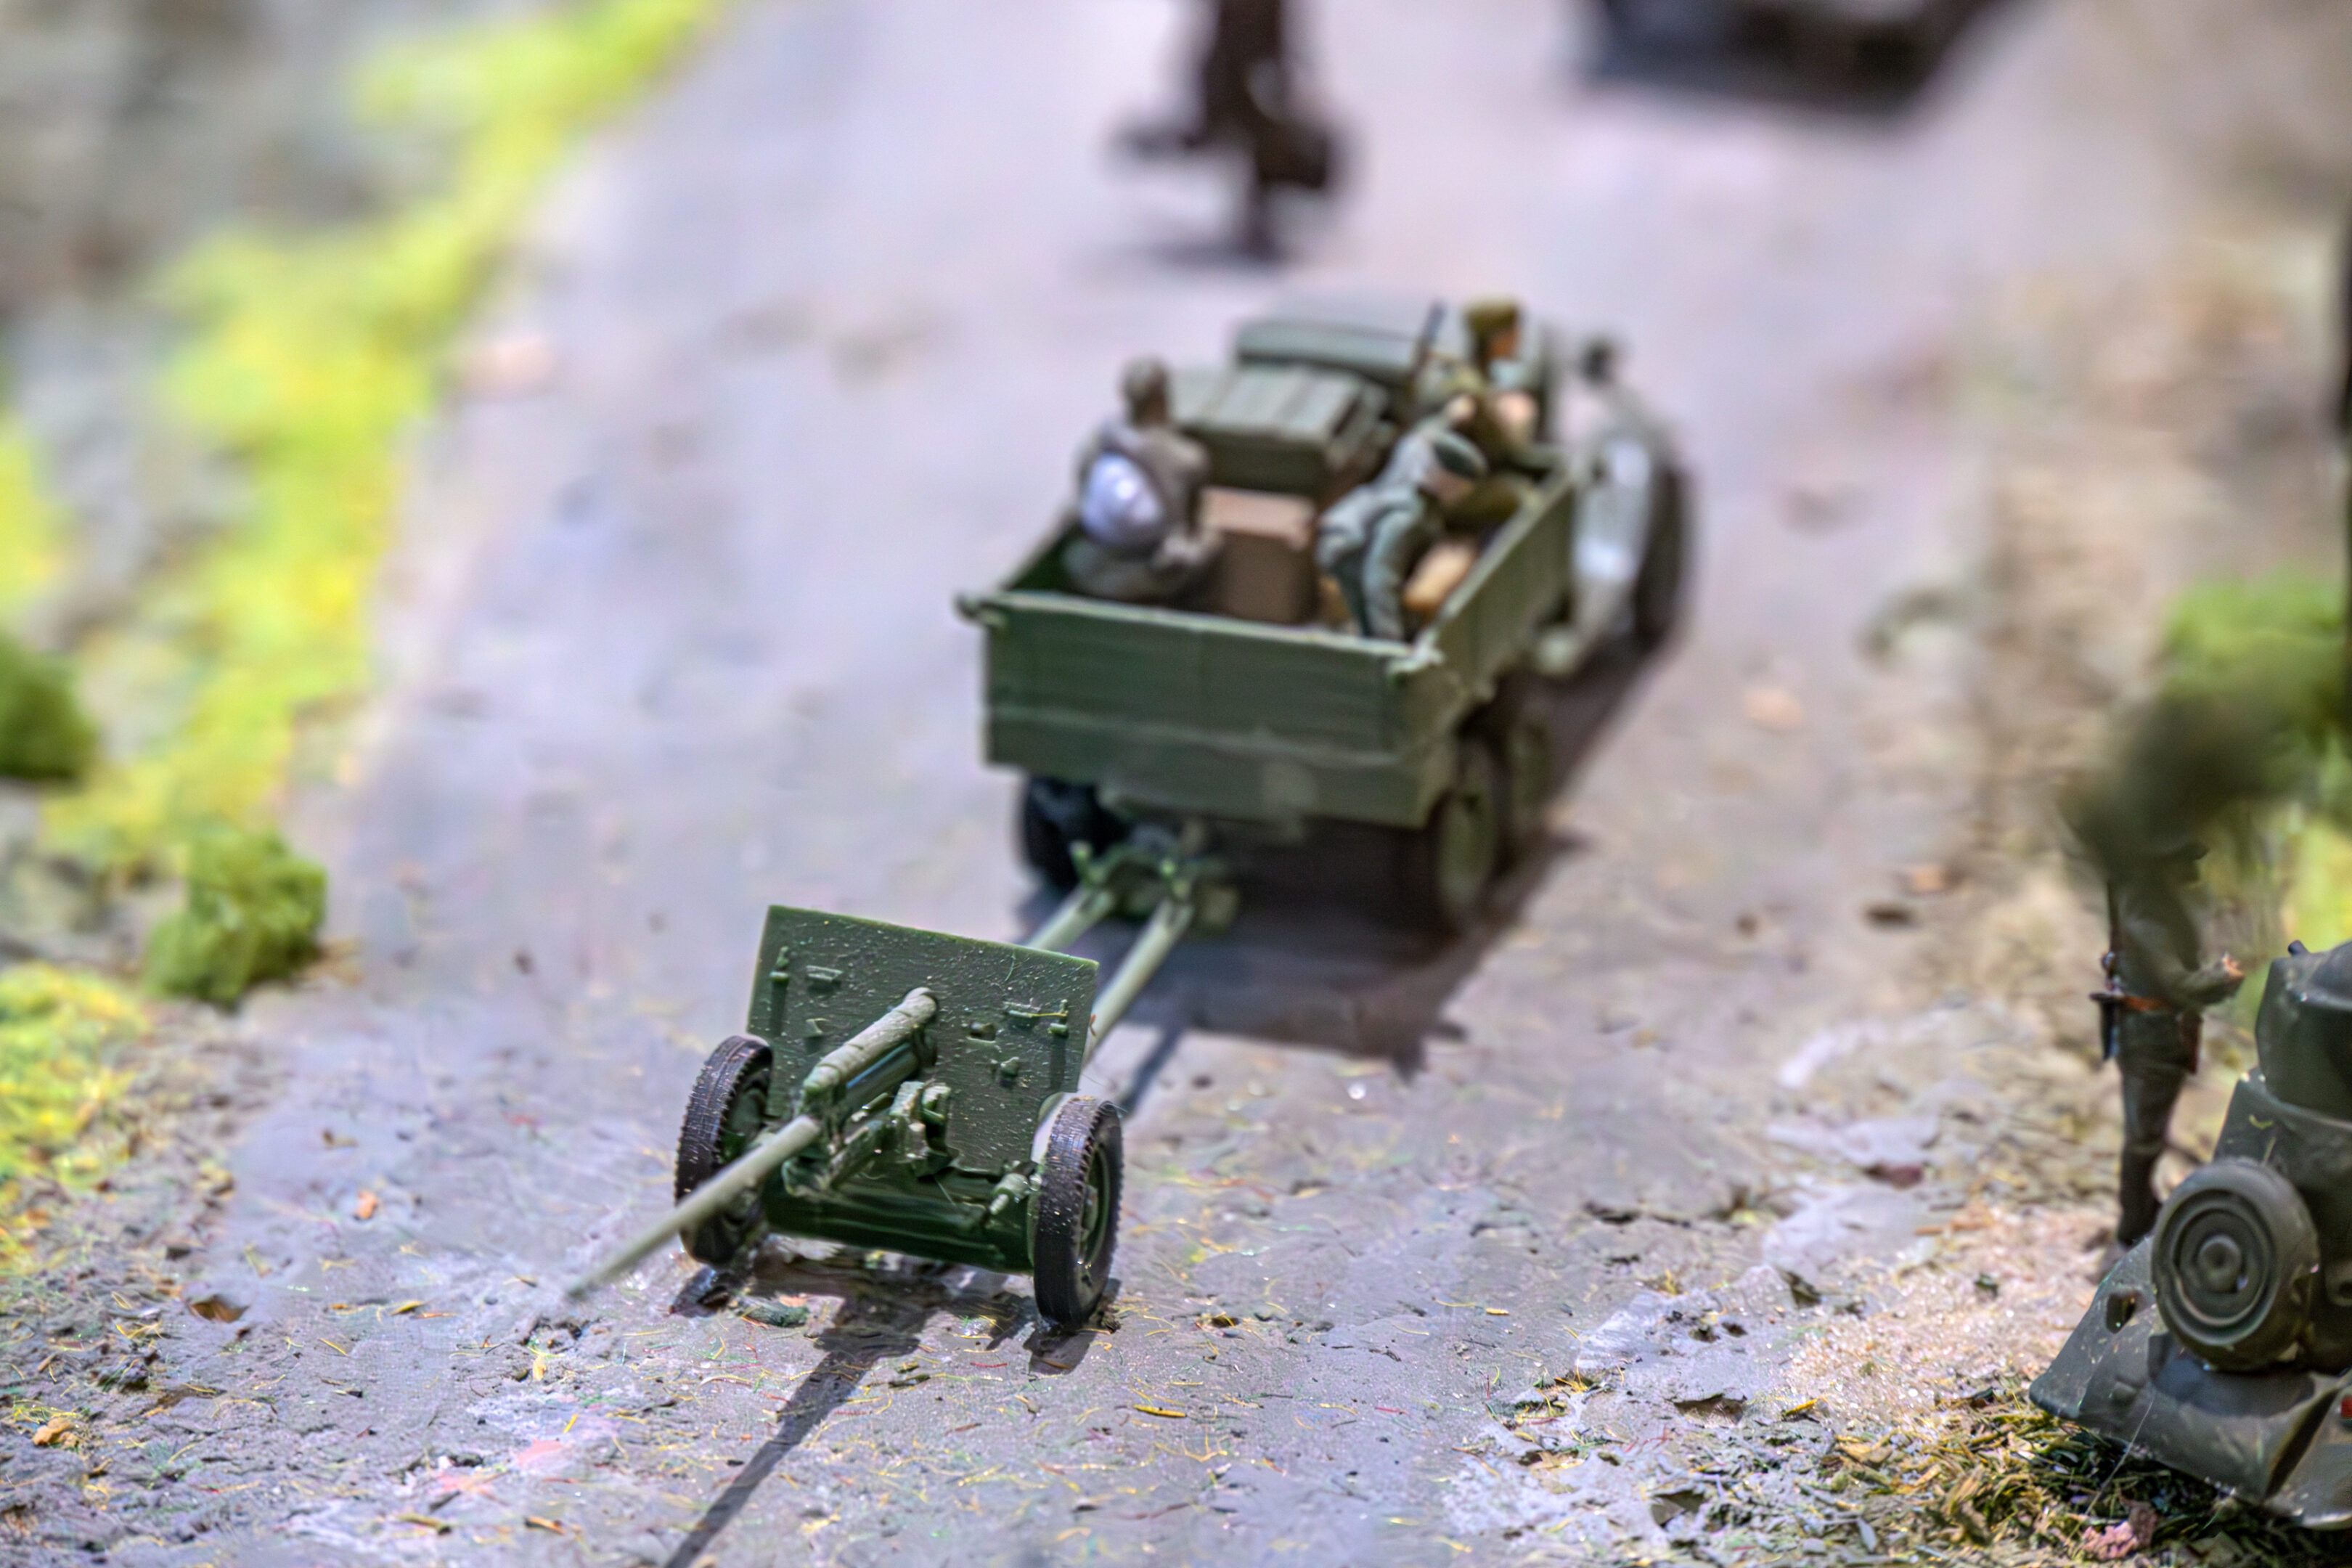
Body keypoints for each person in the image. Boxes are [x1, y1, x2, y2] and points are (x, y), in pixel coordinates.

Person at [2099, 841, 2246, 1251]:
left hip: (2155, 1029)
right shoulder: (2146, 917)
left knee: (2149, 1131)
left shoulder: (2153, 907)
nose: (2192, 874)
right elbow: (2178, 985)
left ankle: (2141, 1210)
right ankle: (2133, 1223)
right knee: (2144, 1137)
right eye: (2183, 864)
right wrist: (2222, 978)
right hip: (2149, 1034)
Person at [1061, 358, 1220, 606]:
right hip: (1148, 571)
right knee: (1211, 540)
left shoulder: (1100, 439)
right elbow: (1192, 530)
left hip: (1092, 562)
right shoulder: (1188, 458)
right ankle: (1190, 603)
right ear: (1162, 399)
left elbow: (1083, 488)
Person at [1315, 427, 1487, 640]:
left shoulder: (1417, 502)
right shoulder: (1408, 513)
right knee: (1363, 599)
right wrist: (1389, 636)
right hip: (1346, 547)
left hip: (1347, 544)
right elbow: (1380, 573)